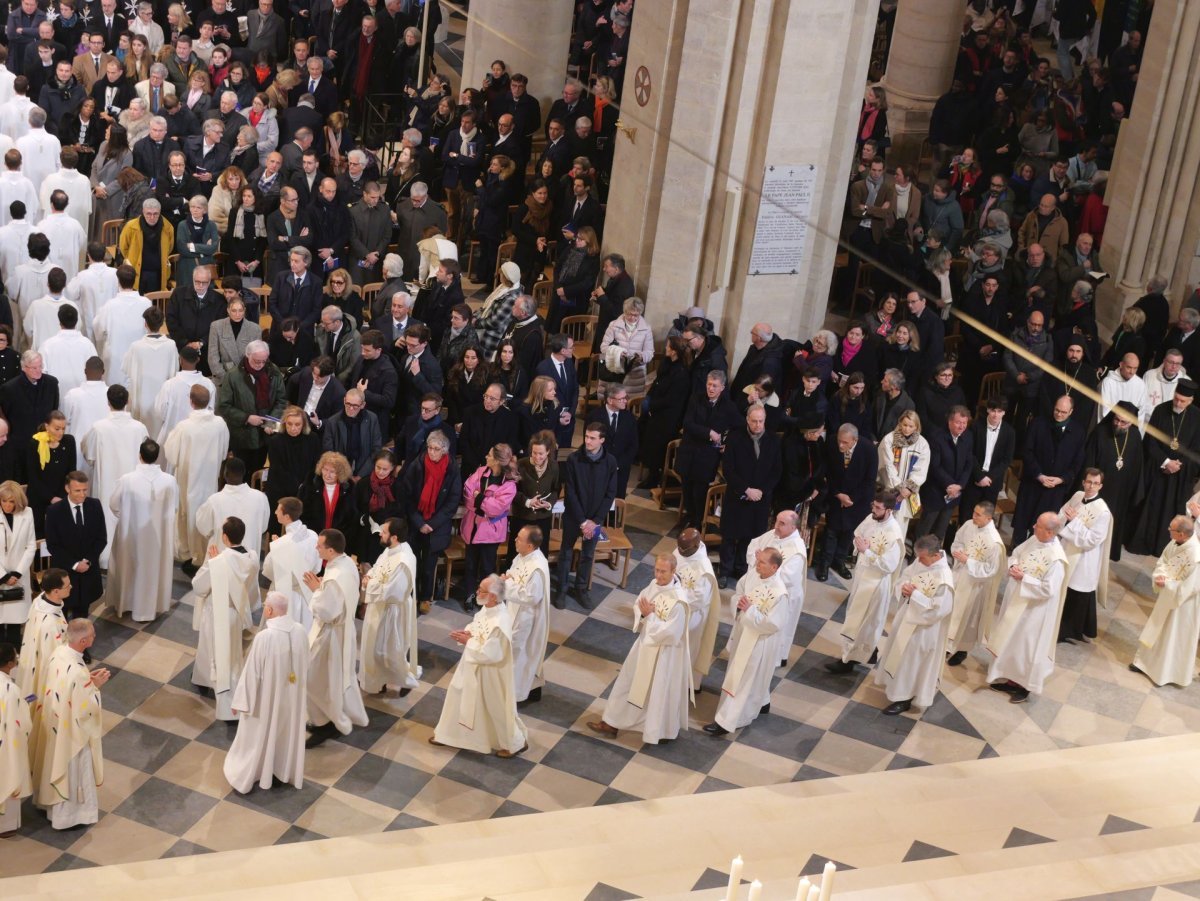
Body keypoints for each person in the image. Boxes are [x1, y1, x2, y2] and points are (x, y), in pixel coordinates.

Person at [587, 555, 691, 745]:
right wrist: (643, 615)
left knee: (655, 693)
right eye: (656, 570)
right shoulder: (653, 585)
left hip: (662, 655)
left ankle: (659, 731)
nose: (658, 575)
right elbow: (638, 604)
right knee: (626, 683)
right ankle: (611, 722)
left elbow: (671, 634)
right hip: (644, 646)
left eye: (663, 571)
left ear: (673, 572)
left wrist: (649, 617)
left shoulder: (679, 602)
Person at [430, 574, 528, 758]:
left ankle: (514, 743)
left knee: (495, 709)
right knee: (456, 695)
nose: (477, 592)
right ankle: (446, 734)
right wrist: (467, 632)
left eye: (481, 590)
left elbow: (492, 654)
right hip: (472, 664)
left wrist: (469, 641)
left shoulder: (500, 622)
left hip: (489, 672)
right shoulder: (487, 609)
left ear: (492, 596)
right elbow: (477, 625)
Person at [223, 590, 308, 793]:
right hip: (291, 698)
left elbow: (252, 673)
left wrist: (240, 702)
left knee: (257, 735)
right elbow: (306, 663)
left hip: (266, 700)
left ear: (269, 610)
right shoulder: (300, 631)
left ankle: (252, 774)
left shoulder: (265, 637)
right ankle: (279, 771)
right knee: (283, 733)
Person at [32, 619, 109, 829]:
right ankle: (71, 816)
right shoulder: (76, 670)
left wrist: (88, 682)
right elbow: (85, 710)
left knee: (54, 762)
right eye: (92, 635)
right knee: (73, 771)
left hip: (55, 721)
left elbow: (68, 690)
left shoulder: (60, 653)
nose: (94, 637)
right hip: (71, 732)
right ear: (84, 641)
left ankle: (51, 808)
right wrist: (96, 688)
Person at [986, 512, 1068, 704]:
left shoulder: (1056, 559)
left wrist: (1024, 578)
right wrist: (1014, 566)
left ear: (1049, 532)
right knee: (1012, 641)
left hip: (1034, 612)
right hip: (1017, 601)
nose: (1033, 526)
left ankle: (1025, 686)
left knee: (1027, 648)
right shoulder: (1034, 540)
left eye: (1038, 525)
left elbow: (1049, 589)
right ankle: (1011, 679)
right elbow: (1016, 553)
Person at [826, 489, 906, 675]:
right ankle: (869, 652)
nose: (874, 510)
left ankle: (849, 661)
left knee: (865, 622)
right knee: (856, 616)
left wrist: (867, 551)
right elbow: (858, 534)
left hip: (876, 584)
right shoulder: (872, 519)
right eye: (873, 505)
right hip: (862, 577)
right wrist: (861, 546)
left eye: (878, 508)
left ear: (889, 511)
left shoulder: (894, 534)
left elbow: (889, 566)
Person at [872, 534, 954, 716]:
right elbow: (904, 577)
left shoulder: (944, 579)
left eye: (923, 557)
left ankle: (904, 698)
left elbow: (939, 610)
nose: (919, 561)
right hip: (906, 619)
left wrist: (915, 595)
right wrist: (903, 587)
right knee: (899, 656)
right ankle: (894, 688)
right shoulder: (921, 561)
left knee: (911, 663)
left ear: (935, 556)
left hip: (923, 629)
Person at [302, 528, 367, 748]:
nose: (316, 548)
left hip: (331, 634)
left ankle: (325, 723)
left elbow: (326, 612)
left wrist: (315, 590)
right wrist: (323, 588)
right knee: (330, 678)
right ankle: (328, 718)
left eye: (319, 546)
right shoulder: (347, 563)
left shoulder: (334, 577)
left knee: (313, 678)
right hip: (344, 629)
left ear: (330, 550)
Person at [191, 516, 258, 720]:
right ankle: (203, 678)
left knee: (219, 656)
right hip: (236, 611)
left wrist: (210, 563)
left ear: (225, 537)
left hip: (218, 612)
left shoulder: (219, 561)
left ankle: (229, 708)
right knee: (230, 653)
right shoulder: (252, 556)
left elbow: (199, 587)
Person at [105, 438, 177, 622]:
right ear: (157, 457)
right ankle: (153, 606)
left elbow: (113, 504)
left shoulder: (127, 480)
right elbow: (174, 507)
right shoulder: (169, 481)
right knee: (154, 569)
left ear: (140, 456)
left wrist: (128, 517)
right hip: (159, 537)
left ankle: (127, 604)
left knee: (130, 567)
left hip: (132, 534)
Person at [1126, 382, 1200, 555]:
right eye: (1176, 398)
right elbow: (1150, 442)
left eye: (1182, 401)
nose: (1178, 403)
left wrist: (1178, 465)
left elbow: (1197, 449)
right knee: (1150, 507)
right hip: (1159, 470)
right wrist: (1166, 462)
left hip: (1180, 476)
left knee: (1172, 511)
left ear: (1190, 400)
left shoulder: (1197, 417)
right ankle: (1143, 543)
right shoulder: (1161, 410)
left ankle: (1163, 548)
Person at [80, 383, 147, 566]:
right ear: (127, 402)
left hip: (106, 480)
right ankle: (130, 558)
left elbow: (88, 454)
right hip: (133, 483)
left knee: (105, 517)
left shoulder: (99, 427)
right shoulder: (139, 428)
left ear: (108, 402)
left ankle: (105, 558)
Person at [555, 421, 618, 610]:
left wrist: (595, 521)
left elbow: (610, 493)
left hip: (594, 519)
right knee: (566, 553)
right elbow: (571, 491)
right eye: (586, 437)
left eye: (592, 438)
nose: (587, 441)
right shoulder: (574, 459)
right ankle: (562, 590)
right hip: (575, 517)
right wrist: (583, 520)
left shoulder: (610, 462)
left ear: (602, 440)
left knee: (588, 555)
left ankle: (581, 589)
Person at [1130, 516, 1200, 687]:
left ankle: (1165, 674)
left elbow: (1192, 587)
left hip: (1183, 606)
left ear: (1182, 534)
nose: (1169, 530)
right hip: (1168, 596)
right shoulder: (1175, 543)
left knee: (1172, 637)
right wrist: (1160, 575)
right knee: (1158, 630)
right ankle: (1144, 663)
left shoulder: (1195, 555)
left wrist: (1167, 584)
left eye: (1172, 529)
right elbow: (1163, 560)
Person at [164, 384, 228, 565]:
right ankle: (205, 550)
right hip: (210, 477)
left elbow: (171, 454)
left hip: (188, 476)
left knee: (186, 512)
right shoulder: (220, 424)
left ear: (191, 402)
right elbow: (223, 451)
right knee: (208, 511)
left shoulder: (185, 427)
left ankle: (187, 551)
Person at [1010, 397, 1086, 545]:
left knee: (1044, 524)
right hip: (1033, 481)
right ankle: (1016, 548)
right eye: (1057, 410)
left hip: (1055, 488)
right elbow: (1027, 451)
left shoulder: (1078, 432)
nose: (1059, 414)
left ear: (1071, 412)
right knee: (1023, 519)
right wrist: (1039, 475)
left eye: (1063, 412)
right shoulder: (1038, 423)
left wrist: (1062, 479)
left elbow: (1077, 462)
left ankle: (1036, 551)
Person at [399, 431, 461, 611]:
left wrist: (432, 524)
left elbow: (452, 501)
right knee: (412, 561)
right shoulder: (417, 465)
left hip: (437, 525)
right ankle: (410, 595)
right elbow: (407, 496)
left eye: (436, 449)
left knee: (429, 564)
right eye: (430, 448)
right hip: (416, 521)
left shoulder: (452, 469)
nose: (432, 452)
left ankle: (425, 597)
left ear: (444, 451)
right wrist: (419, 522)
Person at [358, 517, 419, 697]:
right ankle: (379, 681)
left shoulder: (403, 560)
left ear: (394, 537)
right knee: (374, 649)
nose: (380, 534)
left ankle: (406, 679)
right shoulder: (389, 551)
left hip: (393, 610)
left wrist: (369, 585)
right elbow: (376, 569)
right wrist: (368, 577)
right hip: (379, 607)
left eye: (384, 532)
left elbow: (394, 591)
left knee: (390, 652)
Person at [677, 370, 740, 529]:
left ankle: (697, 522)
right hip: (689, 451)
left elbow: (739, 428)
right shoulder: (696, 398)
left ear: (722, 388)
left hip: (706, 456)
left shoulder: (728, 406)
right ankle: (689, 515)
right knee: (686, 487)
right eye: (709, 384)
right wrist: (709, 432)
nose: (711, 388)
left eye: (715, 386)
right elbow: (687, 423)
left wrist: (729, 443)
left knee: (700, 491)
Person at [947, 501, 1007, 666]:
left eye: (978, 515)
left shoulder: (995, 543)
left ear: (988, 518)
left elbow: (991, 570)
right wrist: (957, 552)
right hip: (959, 575)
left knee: (967, 620)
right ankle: (945, 645)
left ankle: (961, 650)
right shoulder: (968, 525)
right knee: (951, 611)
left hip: (975, 586)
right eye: (974, 512)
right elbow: (957, 541)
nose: (973, 516)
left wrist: (969, 561)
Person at [1083, 401, 1143, 562]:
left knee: (1115, 522)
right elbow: (1089, 460)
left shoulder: (1135, 436)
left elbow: (1138, 466)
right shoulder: (1100, 432)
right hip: (1100, 489)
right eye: (1116, 420)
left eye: (1124, 422)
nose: (1118, 424)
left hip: (1122, 492)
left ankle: (1110, 551)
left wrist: (1135, 491)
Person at [816, 424, 877, 582]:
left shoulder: (869, 449)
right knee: (831, 531)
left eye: (845, 442)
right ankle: (824, 563)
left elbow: (869, 480)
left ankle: (839, 562)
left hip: (857, 500)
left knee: (849, 532)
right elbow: (826, 471)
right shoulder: (831, 443)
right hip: (836, 496)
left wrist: (851, 499)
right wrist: (838, 494)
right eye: (839, 441)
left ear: (854, 440)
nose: (840, 445)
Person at [216, 339, 286, 474]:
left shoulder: (273, 372)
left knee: (258, 471)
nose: (260, 365)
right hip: (242, 436)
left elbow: (281, 400)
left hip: (266, 435)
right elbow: (224, 406)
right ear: (248, 356)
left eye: (263, 361)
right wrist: (247, 418)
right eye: (256, 361)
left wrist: (271, 422)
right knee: (242, 474)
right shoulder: (233, 376)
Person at [44, 472, 105, 622]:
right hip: (64, 572)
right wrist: (75, 564)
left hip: (88, 572)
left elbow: (101, 539)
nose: (82, 494)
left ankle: (80, 644)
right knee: (61, 616)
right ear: (67, 489)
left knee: (82, 613)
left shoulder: (95, 505)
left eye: (85, 490)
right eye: (78, 490)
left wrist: (88, 561)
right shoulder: (54, 511)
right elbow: (53, 545)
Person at [503, 524, 551, 704]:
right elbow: (513, 572)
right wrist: (507, 578)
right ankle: (529, 689)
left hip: (526, 618)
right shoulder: (522, 556)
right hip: (515, 610)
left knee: (519, 655)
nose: (515, 540)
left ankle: (516, 695)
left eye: (519, 539)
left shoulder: (537, 567)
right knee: (520, 654)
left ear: (530, 546)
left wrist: (506, 586)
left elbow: (531, 596)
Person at [193, 457, 271, 565]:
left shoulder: (214, 500)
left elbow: (203, 527)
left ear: (225, 474)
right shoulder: (260, 498)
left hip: (221, 560)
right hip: (249, 562)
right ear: (244, 473)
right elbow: (263, 527)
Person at [261, 496, 319, 632]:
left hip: (286, 595)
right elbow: (316, 565)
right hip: (306, 593)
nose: (275, 512)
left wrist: (275, 548)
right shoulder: (313, 535)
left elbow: (269, 570)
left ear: (286, 516)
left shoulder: (282, 544)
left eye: (278, 510)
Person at [15, 567, 69, 705]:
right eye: (67, 586)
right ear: (56, 591)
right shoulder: (50, 624)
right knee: (40, 693)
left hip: (33, 656)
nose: (71, 587)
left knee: (33, 688)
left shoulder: (40, 600)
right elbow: (54, 658)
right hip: (46, 669)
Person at [876, 409, 930, 534]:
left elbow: (921, 469)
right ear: (900, 423)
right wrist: (899, 487)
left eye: (911, 426)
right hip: (889, 490)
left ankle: (897, 553)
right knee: (883, 527)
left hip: (907, 494)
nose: (907, 429)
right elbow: (888, 466)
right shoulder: (889, 440)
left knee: (899, 529)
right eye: (904, 425)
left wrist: (908, 489)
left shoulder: (922, 444)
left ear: (916, 426)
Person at [0, 640, 32, 836]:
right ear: (11, 664)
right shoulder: (10, 690)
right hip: (5, 745)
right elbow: (22, 724)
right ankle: (4, 826)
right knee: (7, 774)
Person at [0, 482, 36, 645]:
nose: (7, 505)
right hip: (0, 575)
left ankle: (13, 651)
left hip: (19, 575)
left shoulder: (27, 513)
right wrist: (3, 576)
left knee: (16, 617)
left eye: (11, 501)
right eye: (4, 500)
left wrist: (17, 573)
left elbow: (31, 546)